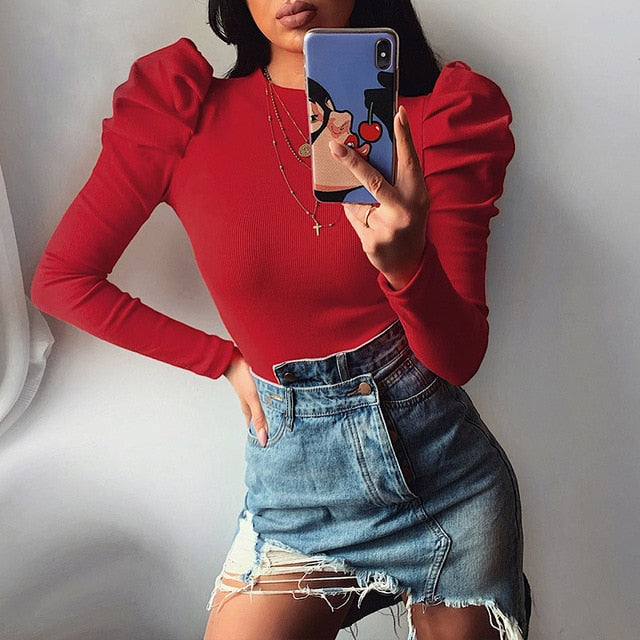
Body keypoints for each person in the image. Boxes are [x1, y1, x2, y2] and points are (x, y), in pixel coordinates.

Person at [30, 1, 530, 638]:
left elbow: (459, 360)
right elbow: (64, 280)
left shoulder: (435, 120)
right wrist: (222, 360)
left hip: (446, 482)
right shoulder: (181, 114)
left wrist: (409, 268)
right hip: (295, 496)